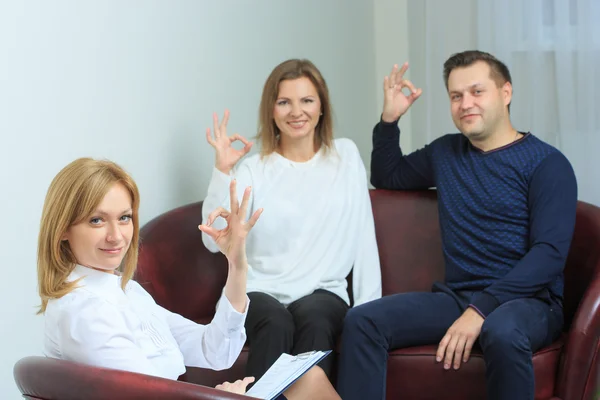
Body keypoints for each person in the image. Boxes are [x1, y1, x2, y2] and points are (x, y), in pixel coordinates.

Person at [336, 50, 578, 400]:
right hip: (459, 297)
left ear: (505, 93)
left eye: (477, 92)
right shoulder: (446, 153)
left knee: (502, 330)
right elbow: (387, 175)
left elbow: (550, 255)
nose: (466, 103)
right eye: (456, 96)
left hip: (531, 301)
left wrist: (481, 309)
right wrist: (389, 120)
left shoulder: (547, 164)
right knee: (362, 321)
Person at [38, 157, 341, 400]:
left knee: (309, 379)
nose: (116, 236)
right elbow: (144, 394)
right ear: (63, 229)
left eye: (124, 218)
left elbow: (214, 349)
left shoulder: (126, 292)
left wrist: (236, 266)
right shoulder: (85, 310)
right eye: (96, 220)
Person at [201, 58, 382, 382]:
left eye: (307, 101)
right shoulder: (253, 168)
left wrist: (370, 309)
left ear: (322, 106)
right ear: (271, 110)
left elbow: (363, 235)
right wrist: (222, 170)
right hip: (259, 290)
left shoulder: (346, 157)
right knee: (275, 322)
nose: (296, 112)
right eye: (284, 102)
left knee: (315, 319)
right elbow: (212, 241)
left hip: (323, 293)